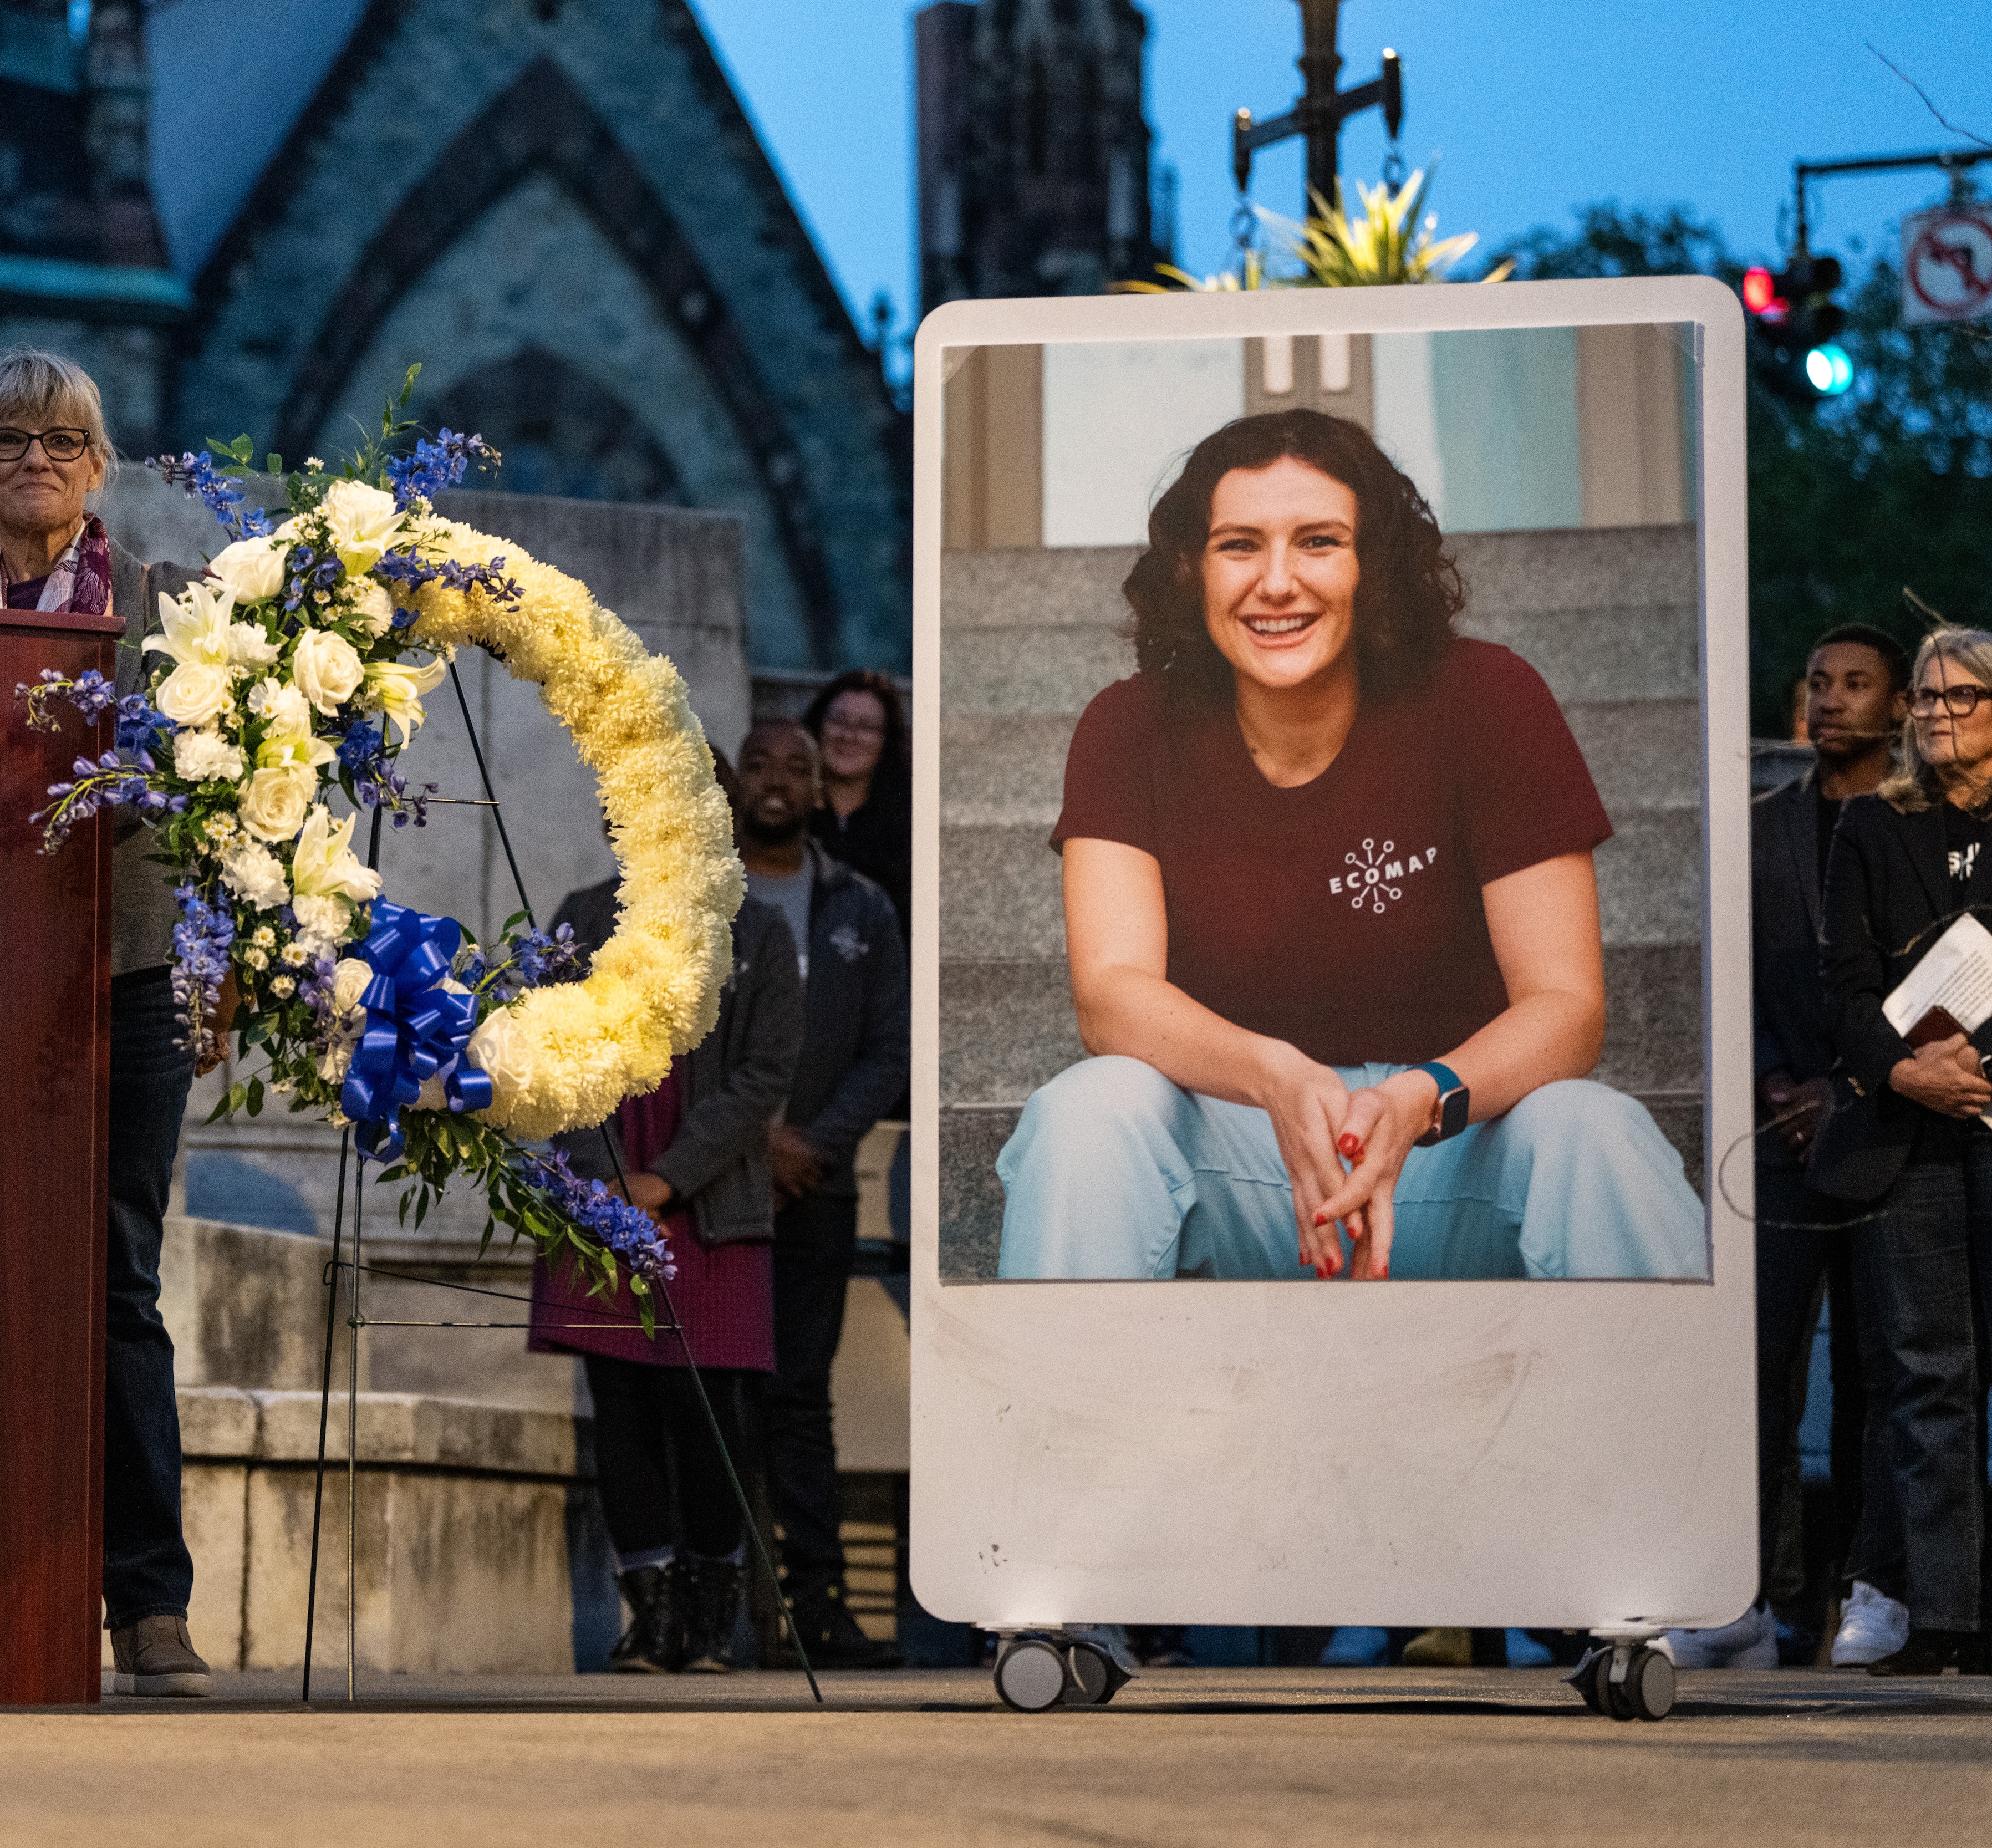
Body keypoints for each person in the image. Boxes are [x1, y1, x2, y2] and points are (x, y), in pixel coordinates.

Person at [997, 407, 1704, 1283]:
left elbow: (1567, 1006)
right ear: (1193, 569)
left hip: (1449, 1143)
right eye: (1240, 545)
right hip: (1242, 1146)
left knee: (1597, 1133)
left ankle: (1667, 1423)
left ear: (1374, 567)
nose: (1279, 582)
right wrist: (1275, 1076)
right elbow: (1112, 997)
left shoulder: (1489, 698)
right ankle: (1066, 1422)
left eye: (1320, 542)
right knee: (1086, 1113)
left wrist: (1420, 1097)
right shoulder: (1128, 725)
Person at [0, 348, 209, 1696]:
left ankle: (146, 1603)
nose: (34, 460)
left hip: (130, 981)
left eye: (60, 440)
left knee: (116, 1282)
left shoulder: (173, 616)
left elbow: (240, 801)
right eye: (5, 440)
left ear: (100, 465)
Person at [1670, 626, 1904, 1672]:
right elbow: (1731, 969)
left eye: (1857, 684)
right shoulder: (1760, 828)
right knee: (1757, 1367)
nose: (1833, 699)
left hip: (1887, 1131)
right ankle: (1746, 1594)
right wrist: (1771, 1076)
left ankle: (1860, 1594)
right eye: (1820, 683)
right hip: (1773, 1134)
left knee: (1873, 1373)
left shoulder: (1920, 827)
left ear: (1899, 708)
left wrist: (1847, 1085)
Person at [537, 760, 803, 1674]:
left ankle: (707, 1606)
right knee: (621, 1400)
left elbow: (765, 1073)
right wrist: (601, 1178)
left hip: (706, 1196)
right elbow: (555, 1045)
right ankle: (647, 1609)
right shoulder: (580, 912)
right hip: (600, 1189)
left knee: (707, 1404)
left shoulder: (759, 932)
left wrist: (672, 1175)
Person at [1809, 626, 1992, 1677]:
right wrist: (1904, 1070)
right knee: (1927, 1376)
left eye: (1960, 697)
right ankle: (1945, 1613)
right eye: (1924, 697)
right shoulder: (1874, 828)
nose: (1934, 713)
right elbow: (1841, 989)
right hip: (1907, 1138)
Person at [736, 720, 909, 1669]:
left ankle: (818, 1609)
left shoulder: (862, 906)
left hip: (817, 1189)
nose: (776, 779)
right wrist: (745, 1142)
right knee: (719, 1401)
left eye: (797, 767)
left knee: (803, 1401)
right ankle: (716, 1608)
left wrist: (812, 1142)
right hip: (711, 1192)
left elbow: (891, 1046)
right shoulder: (692, 895)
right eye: (758, 761)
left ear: (820, 790)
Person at [802, 669, 912, 942]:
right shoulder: (793, 817)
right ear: (818, 726)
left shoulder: (912, 828)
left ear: (886, 740)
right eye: (838, 721)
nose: (849, 736)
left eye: (866, 727)